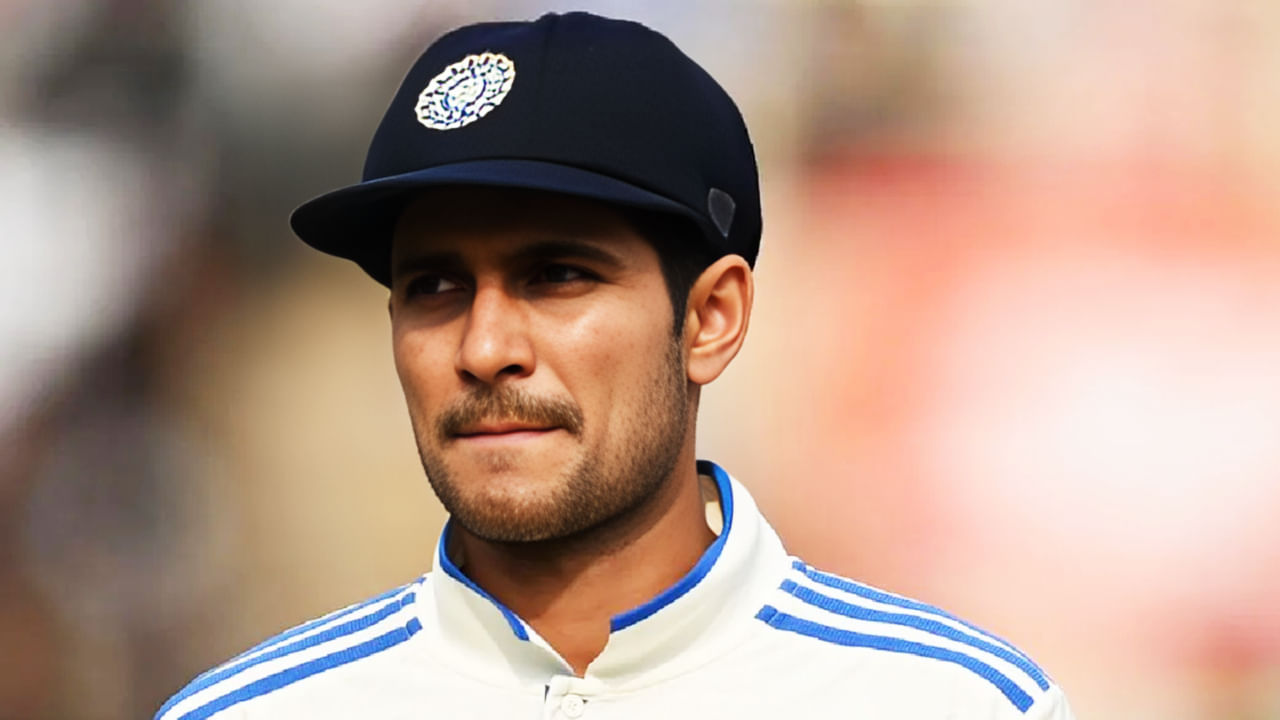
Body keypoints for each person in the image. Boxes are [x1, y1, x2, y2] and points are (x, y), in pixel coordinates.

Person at [157, 11, 1074, 720]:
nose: (484, 348)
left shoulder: (954, 703)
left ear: (710, 319)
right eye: (434, 285)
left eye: (557, 275)